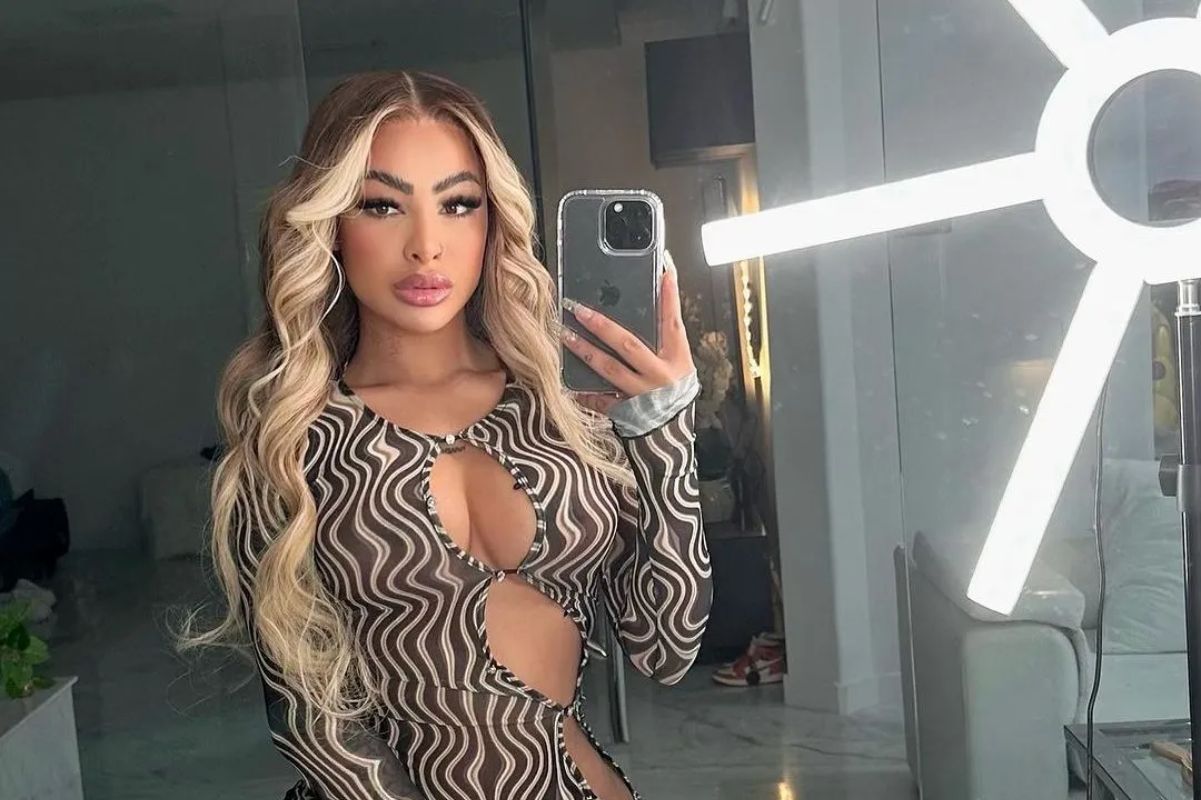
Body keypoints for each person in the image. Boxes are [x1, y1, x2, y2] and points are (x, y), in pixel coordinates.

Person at [177, 70, 711, 800]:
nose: (426, 246)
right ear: (329, 223)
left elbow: (666, 648)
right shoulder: (291, 444)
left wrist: (663, 426)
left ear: (492, 222)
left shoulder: (564, 413)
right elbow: (312, 723)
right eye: (381, 205)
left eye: (458, 204)